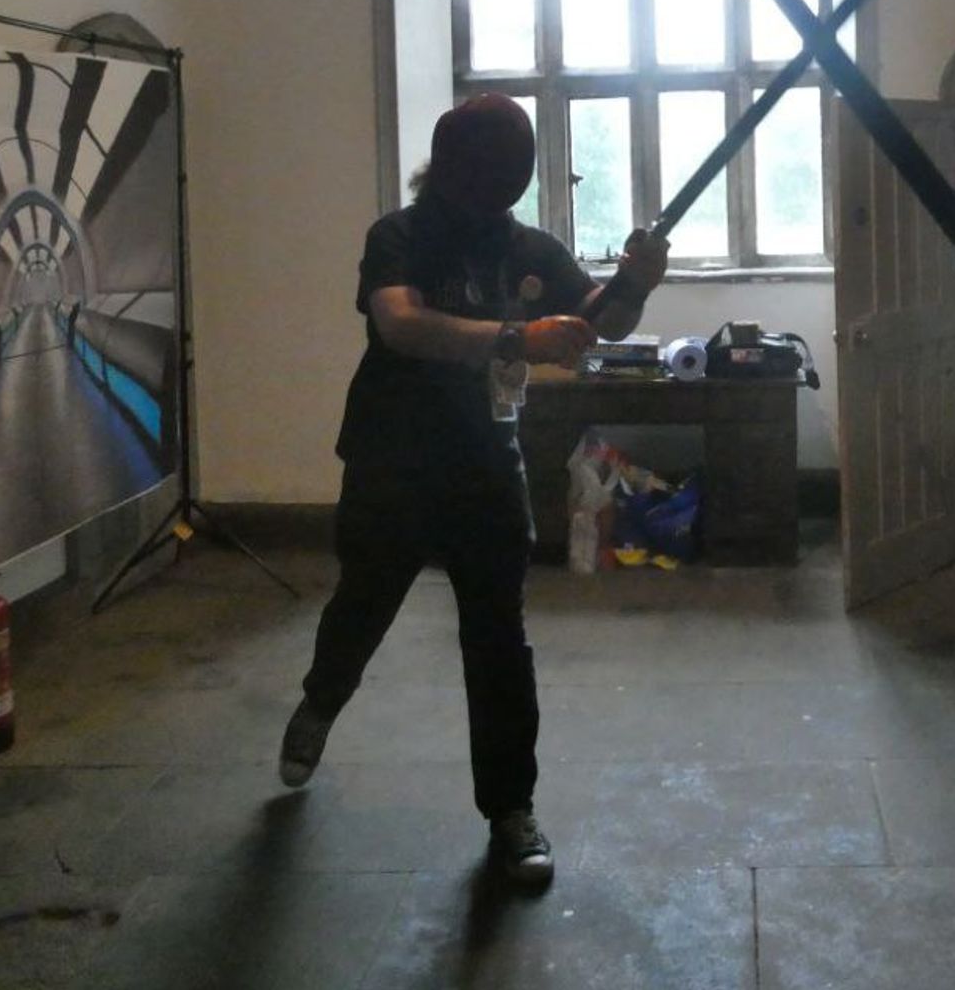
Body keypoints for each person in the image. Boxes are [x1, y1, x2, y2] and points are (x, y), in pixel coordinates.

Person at [278, 93, 668, 887]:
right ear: (455, 168)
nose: (506, 186)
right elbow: (400, 324)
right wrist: (515, 337)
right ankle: (322, 700)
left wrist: (636, 285)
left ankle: (510, 810)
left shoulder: (528, 246)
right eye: (496, 169)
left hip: (486, 465)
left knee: (497, 639)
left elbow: (605, 324)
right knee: (363, 605)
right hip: (393, 461)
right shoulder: (399, 236)